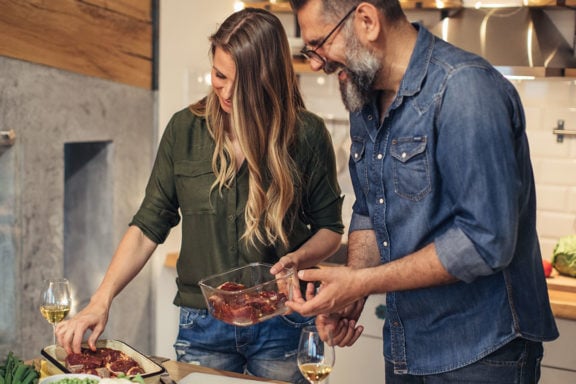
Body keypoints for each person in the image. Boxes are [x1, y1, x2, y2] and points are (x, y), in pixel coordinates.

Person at [55, 8, 344, 384]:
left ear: (266, 82)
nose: (223, 90)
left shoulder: (306, 134)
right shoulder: (184, 129)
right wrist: (100, 300)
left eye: (238, 83)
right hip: (203, 326)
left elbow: (330, 229)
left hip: (282, 323)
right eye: (219, 75)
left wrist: (298, 258)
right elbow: (147, 226)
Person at [286, 0, 559, 383]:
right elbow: (369, 209)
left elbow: (486, 241)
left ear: (366, 21)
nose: (315, 62)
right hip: (406, 346)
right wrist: (351, 291)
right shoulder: (363, 97)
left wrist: (361, 282)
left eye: (319, 43)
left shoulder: (464, 88)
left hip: (480, 353)